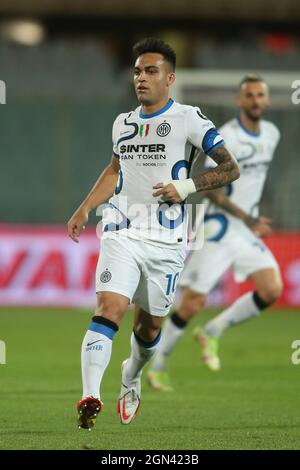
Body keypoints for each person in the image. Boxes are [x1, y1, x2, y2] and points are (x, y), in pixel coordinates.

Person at [67, 37, 239, 429]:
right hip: (121, 230)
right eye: (137, 71)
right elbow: (114, 169)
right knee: (109, 308)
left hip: (167, 241)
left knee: (148, 330)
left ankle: (132, 374)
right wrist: (86, 206)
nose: (141, 78)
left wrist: (188, 187)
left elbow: (231, 168)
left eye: (151, 71)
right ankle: (89, 394)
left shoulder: (190, 119)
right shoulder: (122, 123)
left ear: (170, 78)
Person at [148, 75, 282, 391]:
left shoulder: (272, 135)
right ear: (239, 101)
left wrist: (250, 219)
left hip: (245, 230)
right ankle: (159, 366)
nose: (254, 100)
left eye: (259, 95)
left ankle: (213, 331)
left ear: (267, 101)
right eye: (248, 95)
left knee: (271, 289)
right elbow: (211, 187)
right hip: (220, 227)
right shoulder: (228, 137)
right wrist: (246, 217)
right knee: (192, 303)